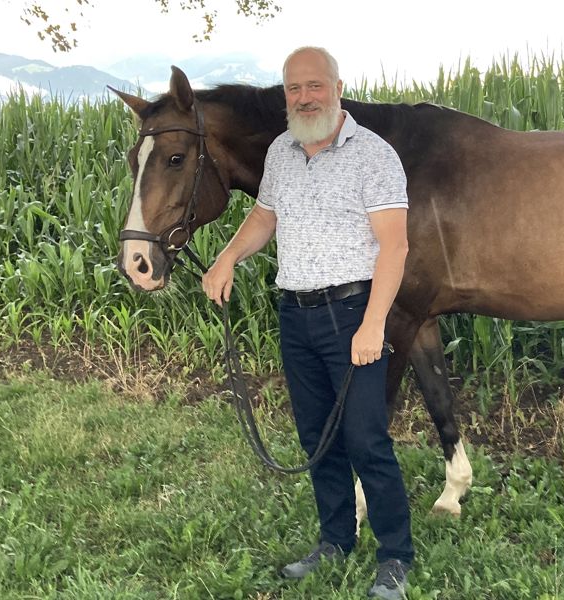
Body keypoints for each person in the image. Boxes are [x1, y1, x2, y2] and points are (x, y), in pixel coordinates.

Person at [202, 46, 414, 600]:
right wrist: (228, 257)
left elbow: (395, 246)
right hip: (294, 314)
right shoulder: (280, 150)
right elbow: (265, 215)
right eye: (294, 88)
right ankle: (335, 540)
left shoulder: (374, 156)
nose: (304, 96)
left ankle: (395, 556)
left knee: (367, 440)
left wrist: (373, 325)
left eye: (314, 85)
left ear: (338, 87)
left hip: (352, 313)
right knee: (316, 437)